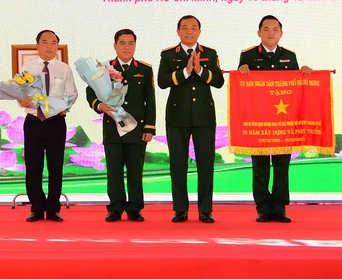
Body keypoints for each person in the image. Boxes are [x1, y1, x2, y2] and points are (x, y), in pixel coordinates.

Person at [238, 15, 312, 223]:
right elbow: (242, 88)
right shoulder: (248, 56)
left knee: (281, 166)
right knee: (260, 167)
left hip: (283, 123)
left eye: (275, 29)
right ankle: (263, 208)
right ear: (259, 33)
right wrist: (241, 71)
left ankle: (279, 208)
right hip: (258, 121)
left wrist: (305, 72)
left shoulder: (289, 56)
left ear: (281, 33)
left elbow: (296, 87)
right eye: (266, 29)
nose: (271, 33)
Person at [157, 15, 224, 223]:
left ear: (199, 32)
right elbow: (162, 82)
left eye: (194, 28)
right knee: (178, 164)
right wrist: (185, 72)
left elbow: (219, 81)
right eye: (185, 28)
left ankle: (205, 210)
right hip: (177, 116)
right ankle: (180, 209)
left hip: (204, 116)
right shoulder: (168, 55)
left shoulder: (210, 54)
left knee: (206, 164)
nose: (189, 31)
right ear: (178, 31)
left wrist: (200, 70)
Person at [87, 29, 156, 222]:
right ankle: (115, 208)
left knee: (135, 171)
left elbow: (150, 100)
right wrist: (99, 106)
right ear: (115, 45)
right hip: (113, 128)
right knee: (114, 171)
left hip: (136, 129)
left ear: (135, 45)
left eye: (131, 43)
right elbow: (90, 92)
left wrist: (149, 128)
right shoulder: (104, 69)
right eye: (122, 43)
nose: (127, 47)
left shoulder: (144, 69)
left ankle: (134, 208)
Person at [18, 30, 78, 222]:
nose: (49, 46)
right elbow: (20, 92)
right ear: (37, 46)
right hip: (33, 121)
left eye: (53, 43)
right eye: (45, 42)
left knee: (55, 165)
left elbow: (72, 94)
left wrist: (64, 106)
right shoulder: (27, 67)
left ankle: (53, 208)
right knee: (33, 166)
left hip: (56, 122)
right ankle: (36, 208)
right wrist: (22, 100)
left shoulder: (64, 69)